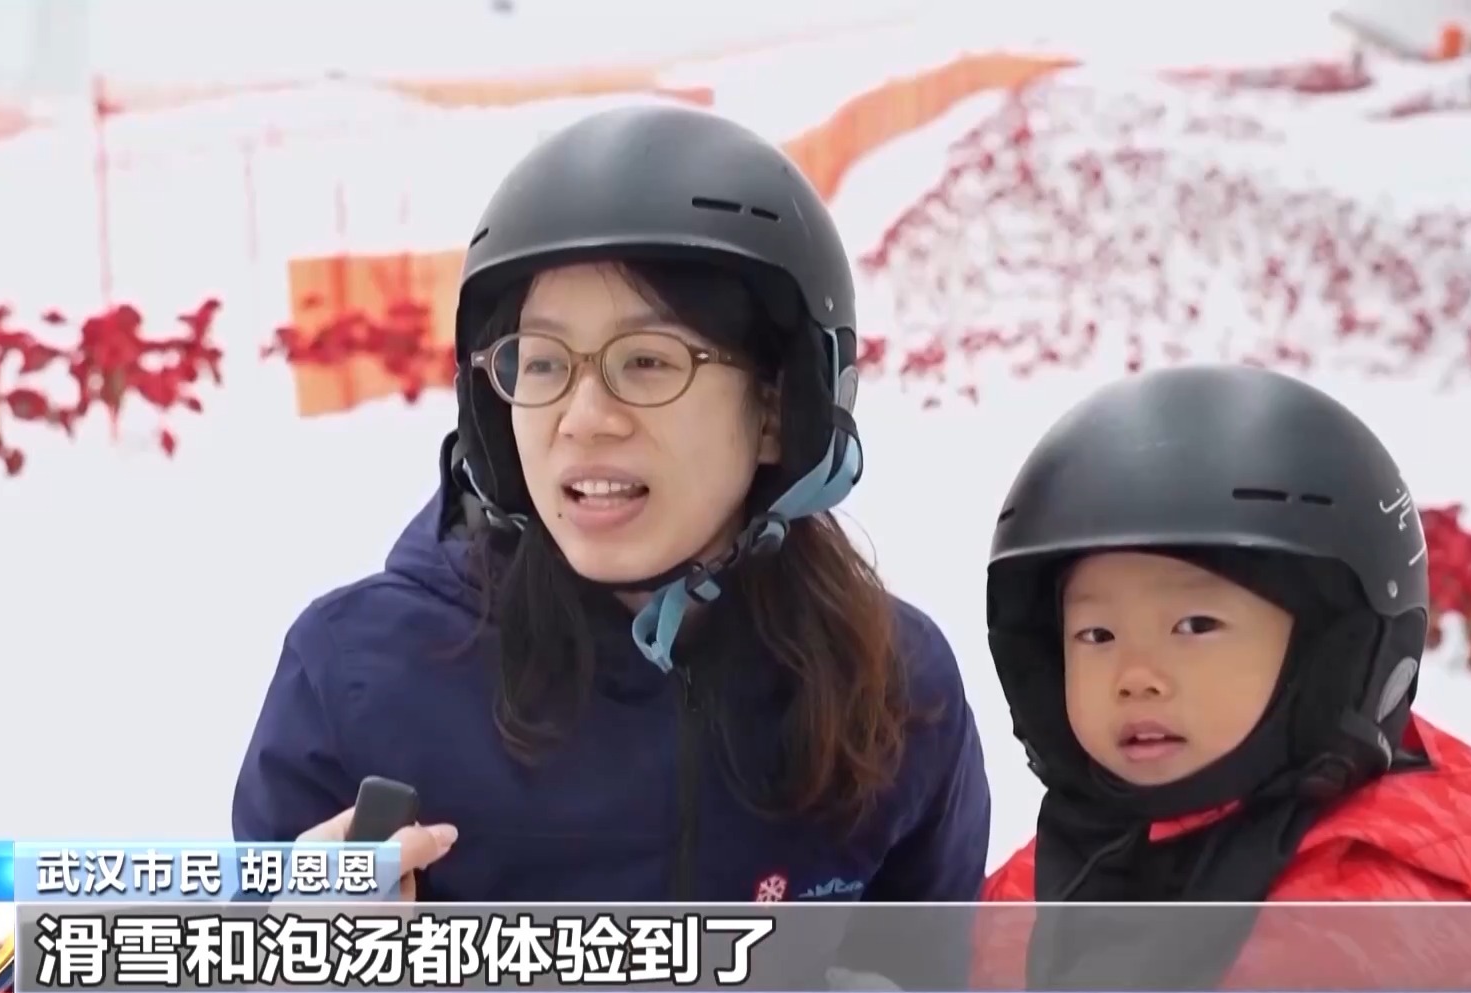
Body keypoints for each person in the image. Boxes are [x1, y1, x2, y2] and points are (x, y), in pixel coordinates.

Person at [232, 104, 991, 968]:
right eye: (543, 363)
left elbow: (931, 968)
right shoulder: (361, 679)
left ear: (780, 409)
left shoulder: (894, 688)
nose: (583, 418)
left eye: (648, 361)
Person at [971, 365, 1471, 990]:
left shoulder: (1373, 928)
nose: (1136, 677)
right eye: (1097, 635)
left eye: (1195, 625)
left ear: (1328, 655)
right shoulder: (1046, 882)